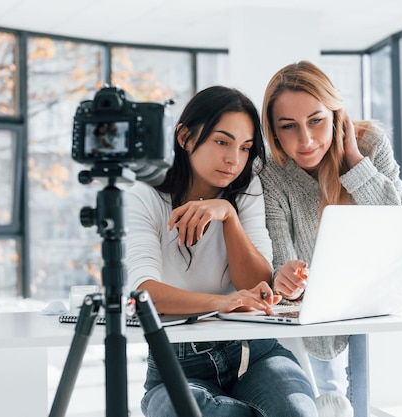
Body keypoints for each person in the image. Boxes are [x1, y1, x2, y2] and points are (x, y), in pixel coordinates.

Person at [124, 85, 318, 417]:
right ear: (185, 137)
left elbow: (259, 283)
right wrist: (219, 303)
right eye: (221, 142)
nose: (234, 160)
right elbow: (144, 293)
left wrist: (228, 215)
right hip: (177, 364)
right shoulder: (145, 197)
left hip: (253, 351)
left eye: (244, 148)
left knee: (298, 411)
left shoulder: (246, 191)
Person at [259, 61, 402, 417]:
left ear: (335, 114)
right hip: (313, 314)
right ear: (274, 132)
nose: (306, 140)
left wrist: (356, 164)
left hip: (375, 303)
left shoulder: (369, 144)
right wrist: (286, 279)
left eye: (316, 120)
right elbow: (280, 262)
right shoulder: (271, 172)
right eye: (289, 127)